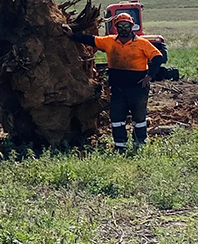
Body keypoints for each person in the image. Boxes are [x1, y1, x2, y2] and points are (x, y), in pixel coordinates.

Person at [62, 13, 164, 150]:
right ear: (116, 27)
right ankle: (120, 146)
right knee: (117, 118)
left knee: (139, 118)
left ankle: (139, 144)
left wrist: (149, 76)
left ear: (131, 26)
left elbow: (158, 58)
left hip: (138, 88)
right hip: (118, 89)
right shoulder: (109, 41)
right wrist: (72, 35)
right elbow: (92, 40)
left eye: (126, 25)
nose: (123, 28)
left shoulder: (142, 43)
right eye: (120, 25)